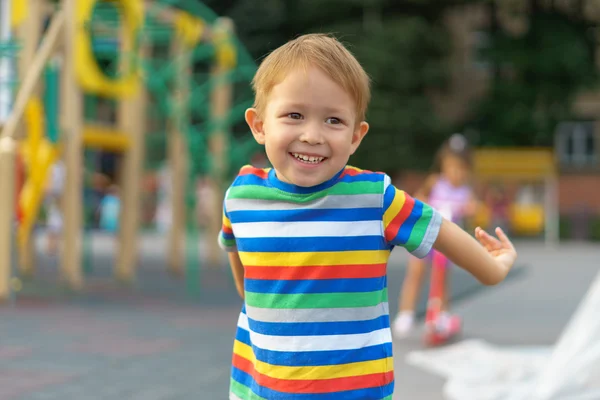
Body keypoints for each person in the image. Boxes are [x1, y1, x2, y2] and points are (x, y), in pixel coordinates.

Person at [218, 34, 517, 400]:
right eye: (294, 115)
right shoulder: (242, 197)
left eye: (333, 120)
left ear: (356, 136)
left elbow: (439, 229)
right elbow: (241, 264)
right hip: (261, 390)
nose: (312, 135)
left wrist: (493, 269)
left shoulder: (373, 199)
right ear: (260, 125)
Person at [392, 134, 479, 345]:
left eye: (460, 169)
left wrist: (465, 208)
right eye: (451, 167)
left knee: (442, 281)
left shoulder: (465, 191)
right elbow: (418, 199)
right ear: (443, 165)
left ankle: (442, 313)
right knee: (416, 274)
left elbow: (474, 208)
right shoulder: (435, 183)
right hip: (425, 236)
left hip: (446, 243)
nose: (455, 173)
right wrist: (431, 205)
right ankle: (406, 312)